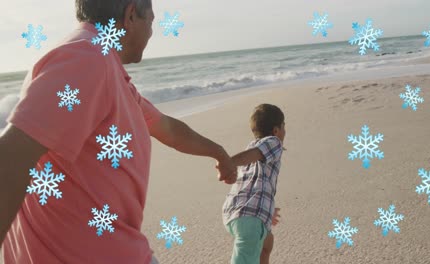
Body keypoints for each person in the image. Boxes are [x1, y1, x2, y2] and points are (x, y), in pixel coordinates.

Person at [0, 0, 237, 263]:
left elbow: (168, 128)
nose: (151, 32)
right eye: (151, 21)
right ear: (131, 14)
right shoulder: (85, 59)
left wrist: (218, 152)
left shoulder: (106, 70)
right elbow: (10, 156)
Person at [222, 104, 286, 264]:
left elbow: (255, 184)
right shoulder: (274, 142)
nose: (285, 131)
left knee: (267, 242)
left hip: (235, 212)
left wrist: (268, 209)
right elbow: (257, 154)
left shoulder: (250, 148)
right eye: (284, 126)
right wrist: (228, 163)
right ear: (276, 130)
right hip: (251, 216)